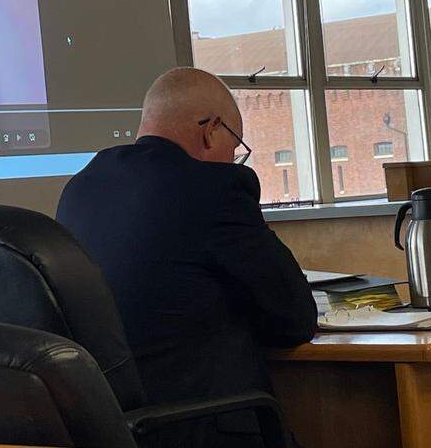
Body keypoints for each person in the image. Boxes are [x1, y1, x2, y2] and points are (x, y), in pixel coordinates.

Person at [56, 67, 317, 448]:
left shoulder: (79, 188)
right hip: (203, 428)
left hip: (112, 428)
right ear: (212, 129)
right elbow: (295, 319)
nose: (233, 159)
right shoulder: (214, 188)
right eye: (236, 147)